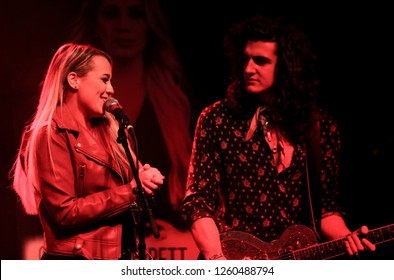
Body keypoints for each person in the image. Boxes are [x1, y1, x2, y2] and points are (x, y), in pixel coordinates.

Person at [181, 15, 377, 260]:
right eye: (245, 60)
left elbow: (326, 211)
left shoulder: (319, 126)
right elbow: (197, 202)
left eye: (260, 61)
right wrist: (217, 260)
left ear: (286, 67)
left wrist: (347, 237)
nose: (248, 69)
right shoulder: (217, 119)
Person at [9, 42, 165, 260]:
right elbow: (65, 212)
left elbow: (135, 181)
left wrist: (147, 177)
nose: (111, 89)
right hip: (77, 259)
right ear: (74, 80)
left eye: (110, 80)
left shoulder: (110, 128)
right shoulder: (50, 134)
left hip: (122, 255)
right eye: (104, 79)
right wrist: (131, 190)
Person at [68, 0, 193, 236]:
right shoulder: (67, 122)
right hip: (97, 246)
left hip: (168, 246)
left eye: (135, 14)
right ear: (96, 22)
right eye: (111, 14)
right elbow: (65, 209)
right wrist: (133, 189)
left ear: (150, 24)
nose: (124, 26)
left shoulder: (177, 101)